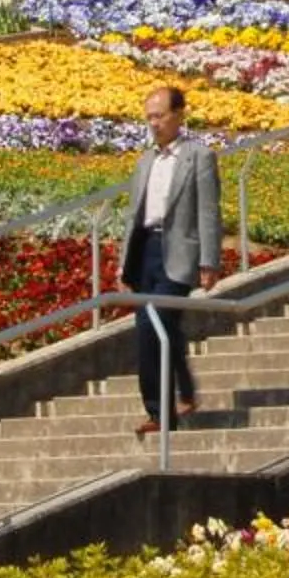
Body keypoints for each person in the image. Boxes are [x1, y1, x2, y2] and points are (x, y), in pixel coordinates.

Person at [119, 84, 221, 438]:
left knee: (153, 327)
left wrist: (209, 262)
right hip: (146, 251)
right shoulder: (146, 160)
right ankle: (185, 392)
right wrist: (123, 262)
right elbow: (135, 212)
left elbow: (208, 211)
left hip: (177, 253)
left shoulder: (198, 156)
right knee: (162, 328)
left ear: (179, 115)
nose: (154, 123)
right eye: (149, 117)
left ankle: (160, 414)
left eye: (160, 116)